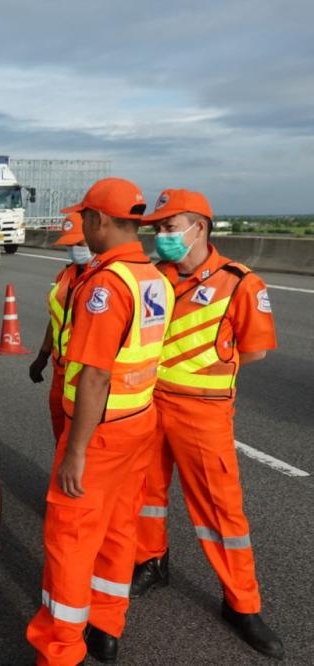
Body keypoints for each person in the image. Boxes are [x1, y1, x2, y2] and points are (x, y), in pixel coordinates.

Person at [131, 189, 283, 659]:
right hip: (149, 405)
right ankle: (151, 562)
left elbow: (254, 350)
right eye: (157, 228)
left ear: (200, 227)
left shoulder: (240, 283)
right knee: (145, 494)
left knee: (222, 512)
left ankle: (241, 603)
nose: (162, 236)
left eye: (170, 227)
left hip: (203, 412)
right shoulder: (152, 277)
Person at [26, 178, 172, 666]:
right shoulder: (152, 276)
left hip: (102, 432)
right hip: (139, 421)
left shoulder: (106, 285)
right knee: (117, 529)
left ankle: (60, 651)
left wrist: (75, 451)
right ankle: (106, 626)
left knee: (70, 540)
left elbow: (94, 376)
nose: (82, 227)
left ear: (101, 220)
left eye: (85, 218)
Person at [28, 212, 93, 441]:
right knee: (60, 434)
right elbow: (56, 318)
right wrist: (42, 357)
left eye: (79, 243)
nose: (74, 249)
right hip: (60, 369)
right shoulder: (66, 274)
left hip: (86, 376)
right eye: (69, 244)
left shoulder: (106, 278)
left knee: (78, 445)